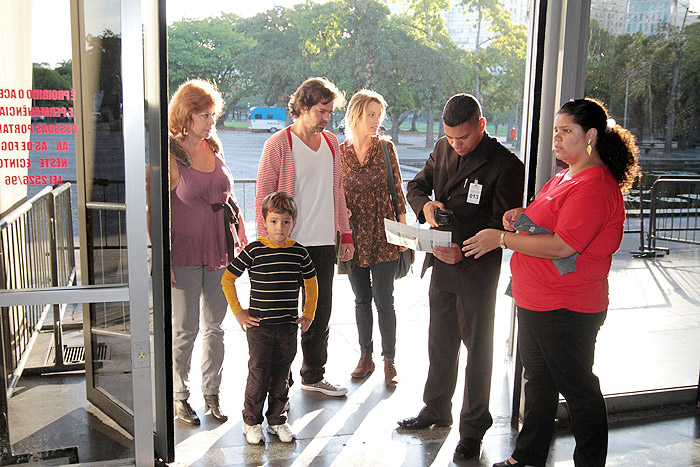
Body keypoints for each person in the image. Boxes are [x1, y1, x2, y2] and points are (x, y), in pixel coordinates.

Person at [463, 98, 640, 467]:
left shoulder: (594, 185)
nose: (556, 139)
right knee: (538, 384)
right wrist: (520, 216)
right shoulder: (565, 174)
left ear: (590, 135)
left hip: (566, 306)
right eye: (555, 131)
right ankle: (526, 458)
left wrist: (501, 238)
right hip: (537, 299)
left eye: (566, 131)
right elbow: (550, 223)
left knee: (579, 392)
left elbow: (563, 246)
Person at [399, 94, 525, 460]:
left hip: (475, 272)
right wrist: (426, 206)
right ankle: (436, 410)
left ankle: (473, 429)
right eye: (451, 137)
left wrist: (463, 252)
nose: (456, 144)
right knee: (439, 344)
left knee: (478, 353)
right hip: (441, 265)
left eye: (464, 138)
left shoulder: (506, 166)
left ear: (481, 125)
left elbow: (500, 227)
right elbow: (417, 186)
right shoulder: (442, 147)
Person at [255, 77, 353, 397]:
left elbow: (337, 191)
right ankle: (279, 379)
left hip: (323, 242)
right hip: (287, 244)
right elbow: (263, 198)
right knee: (282, 317)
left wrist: (346, 233)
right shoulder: (279, 144)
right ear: (302, 108)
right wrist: (265, 246)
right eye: (322, 111)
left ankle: (313, 374)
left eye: (330, 113)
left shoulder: (332, 144)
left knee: (319, 313)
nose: (327, 118)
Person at [167, 79, 247, 425]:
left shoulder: (214, 144)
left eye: (212, 114)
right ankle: (179, 396)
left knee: (216, 326)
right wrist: (161, 255)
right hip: (183, 250)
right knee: (186, 328)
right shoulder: (170, 153)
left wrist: (242, 230)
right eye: (204, 115)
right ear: (185, 116)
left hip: (219, 246)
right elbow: (155, 209)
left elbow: (227, 195)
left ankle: (211, 392)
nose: (210, 122)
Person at [221, 191, 317, 445]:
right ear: (264, 221)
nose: (280, 227)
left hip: (287, 327)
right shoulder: (254, 251)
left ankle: (277, 420)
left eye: (286, 221)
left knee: (282, 374)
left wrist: (308, 314)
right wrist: (239, 312)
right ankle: (251, 422)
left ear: (293, 222)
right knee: (259, 373)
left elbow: (312, 283)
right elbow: (227, 278)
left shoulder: (300, 253)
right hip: (260, 327)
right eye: (274, 221)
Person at [339, 89, 407, 386]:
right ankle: (365, 357)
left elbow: (398, 189)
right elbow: (337, 195)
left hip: (384, 233)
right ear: (356, 115)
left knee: (385, 300)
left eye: (380, 115)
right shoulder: (340, 153)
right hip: (355, 236)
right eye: (371, 114)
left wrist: (403, 230)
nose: (377, 120)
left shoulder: (385, 148)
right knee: (361, 300)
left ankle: (389, 361)